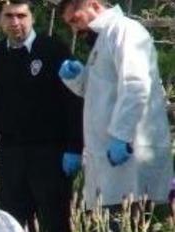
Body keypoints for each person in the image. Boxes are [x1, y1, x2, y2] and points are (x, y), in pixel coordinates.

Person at [0, 0, 83, 232]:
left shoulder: (52, 49)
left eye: (21, 15)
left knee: (55, 226)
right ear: (0, 19)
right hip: (11, 156)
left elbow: (73, 101)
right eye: (9, 16)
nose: (15, 22)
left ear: (31, 17)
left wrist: (74, 146)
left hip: (50, 155)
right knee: (13, 227)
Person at [57, 0, 173, 212]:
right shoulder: (104, 39)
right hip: (109, 162)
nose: (74, 29)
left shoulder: (125, 30)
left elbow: (136, 84)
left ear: (93, 4)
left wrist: (121, 135)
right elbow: (101, 93)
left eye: (75, 19)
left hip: (130, 156)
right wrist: (78, 78)